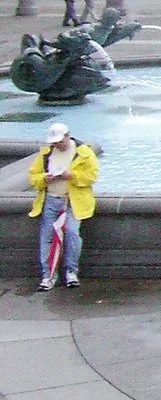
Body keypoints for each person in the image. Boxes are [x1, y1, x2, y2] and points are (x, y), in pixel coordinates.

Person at [27, 122, 98, 290]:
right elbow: (33, 178)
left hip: (73, 201)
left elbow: (91, 176)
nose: (57, 145)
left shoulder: (84, 152)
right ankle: (48, 275)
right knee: (47, 237)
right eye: (54, 142)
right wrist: (45, 178)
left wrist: (71, 176)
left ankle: (71, 271)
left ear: (67, 136)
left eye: (60, 141)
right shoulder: (46, 154)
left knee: (72, 233)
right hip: (51, 199)